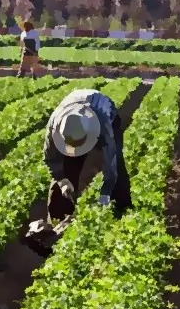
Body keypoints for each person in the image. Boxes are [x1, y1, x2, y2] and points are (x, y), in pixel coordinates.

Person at [43, 87, 130, 220]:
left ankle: (121, 211)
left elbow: (111, 163)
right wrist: (62, 181)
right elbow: (51, 159)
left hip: (104, 112)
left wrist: (105, 194)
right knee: (67, 171)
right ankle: (58, 218)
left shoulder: (103, 125)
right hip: (75, 103)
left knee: (117, 163)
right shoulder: (54, 126)